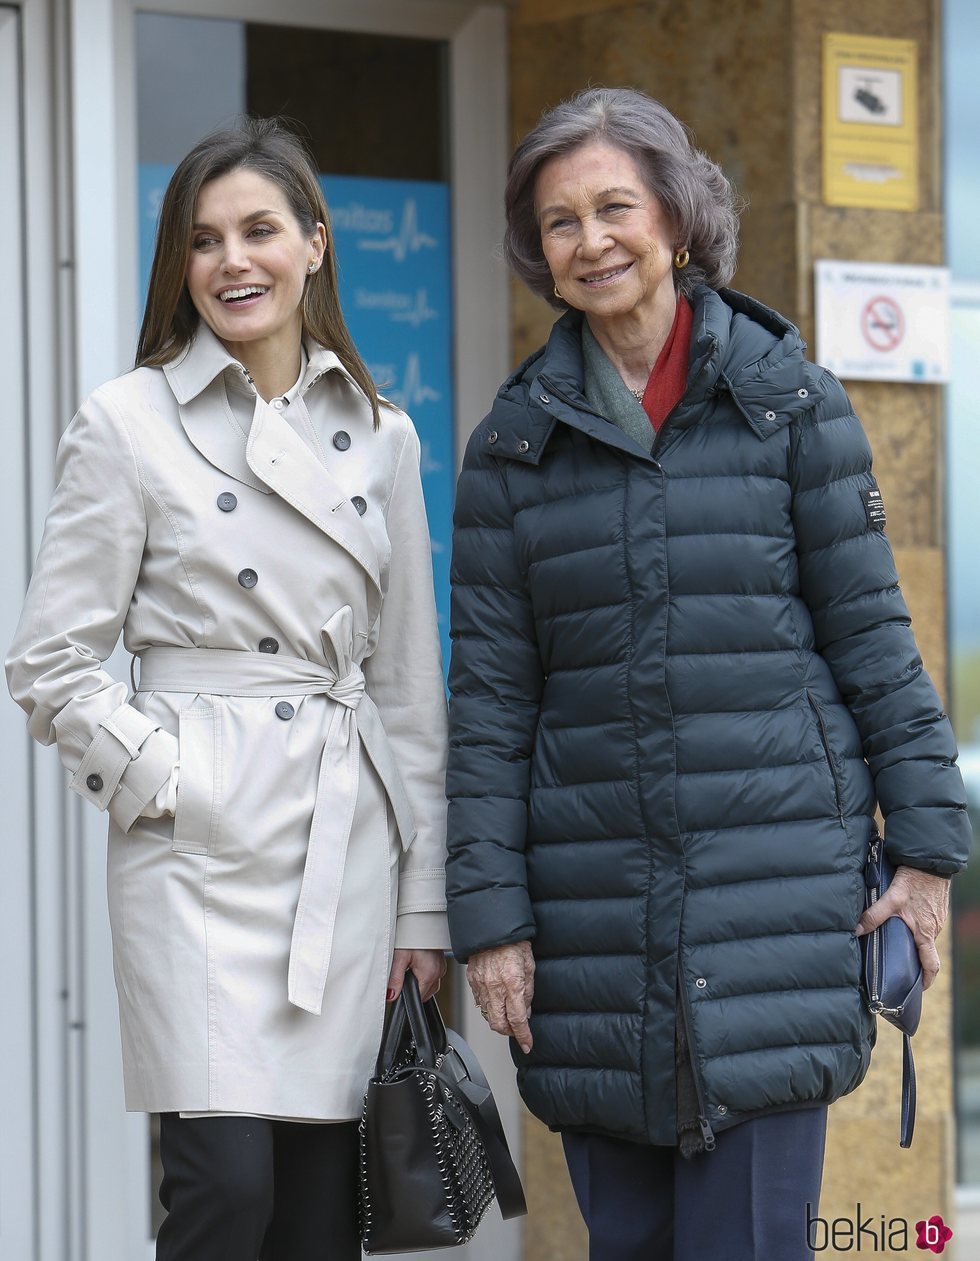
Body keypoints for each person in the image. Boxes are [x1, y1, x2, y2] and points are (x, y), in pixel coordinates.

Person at [445, 86, 971, 1261]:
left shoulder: (788, 404)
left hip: (774, 909)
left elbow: (874, 642)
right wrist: (491, 921)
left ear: (676, 219)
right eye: (560, 222)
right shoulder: (512, 448)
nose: (591, 242)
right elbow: (487, 704)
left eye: (615, 207)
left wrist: (928, 852)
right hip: (588, 932)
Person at [6, 118, 449, 1261]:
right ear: (179, 264)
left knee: (315, 1215)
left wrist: (420, 909)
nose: (232, 261)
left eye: (259, 230)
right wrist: (170, 780)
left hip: (341, 850)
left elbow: (406, 688)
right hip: (195, 855)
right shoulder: (127, 420)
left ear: (315, 244)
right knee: (222, 1195)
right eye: (203, 241)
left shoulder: (383, 434)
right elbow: (48, 657)